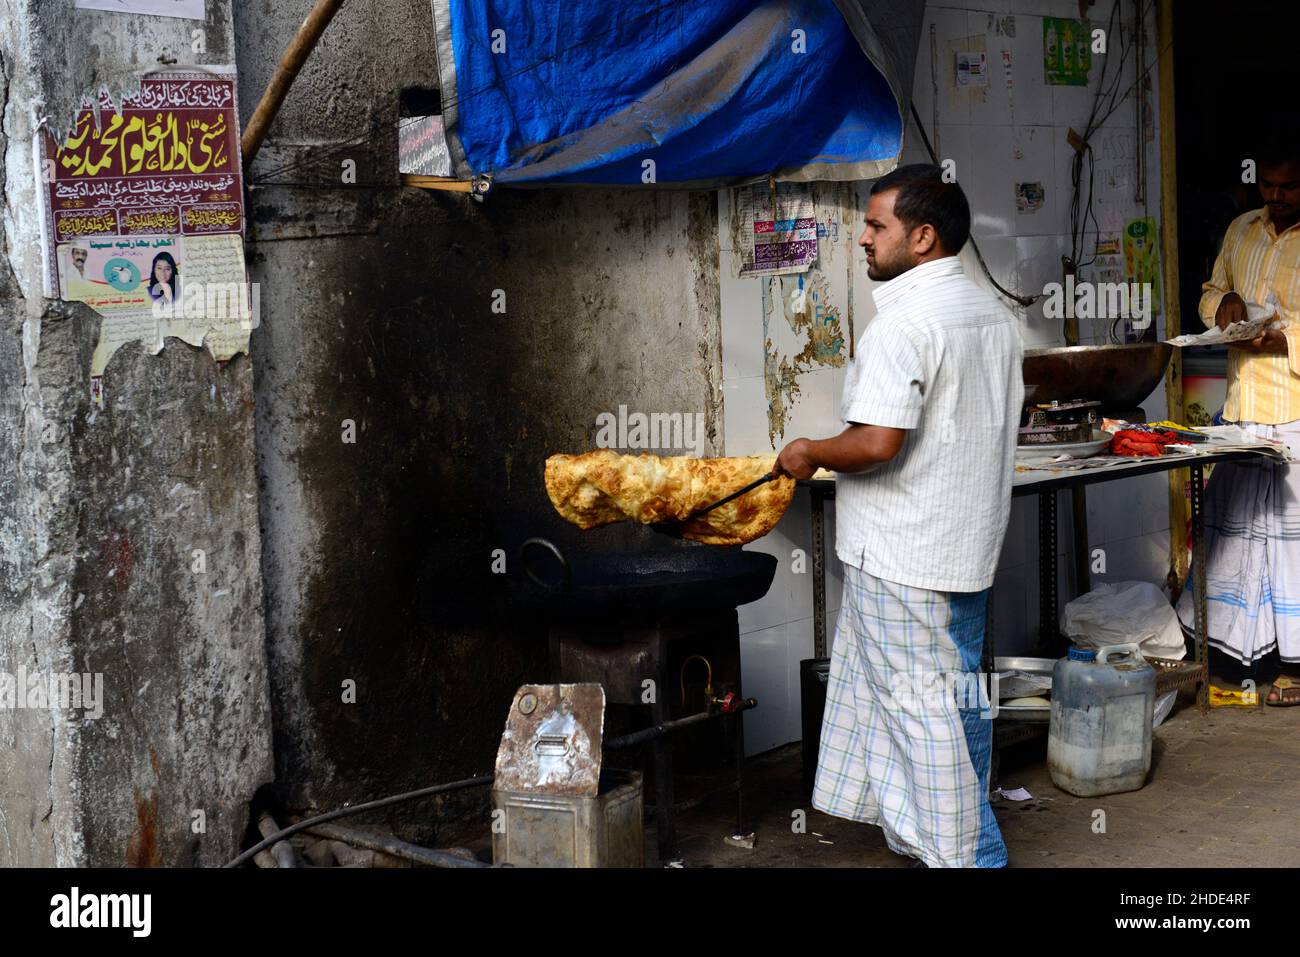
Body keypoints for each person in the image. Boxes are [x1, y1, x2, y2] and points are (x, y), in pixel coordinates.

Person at [773, 164, 1023, 868]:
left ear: (921, 236)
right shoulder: (992, 317)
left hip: (904, 554)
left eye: (876, 225)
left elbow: (878, 442)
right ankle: (932, 840)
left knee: (924, 717)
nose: (862, 238)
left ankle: (970, 856)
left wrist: (809, 450)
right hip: (962, 549)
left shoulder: (904, 324)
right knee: (955, 706)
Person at [1175, 136, 1300, 704]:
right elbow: (1210, 291)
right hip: (1244, 408)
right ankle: (1237, 654)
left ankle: (1294, 666)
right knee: (1240, 537)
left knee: (1289, 546)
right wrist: (1221, 305)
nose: (1275, 196)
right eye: (1267, 185)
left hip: (1295, 411)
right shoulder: (1242, 229)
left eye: (1289, 186)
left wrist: (1283, 340)